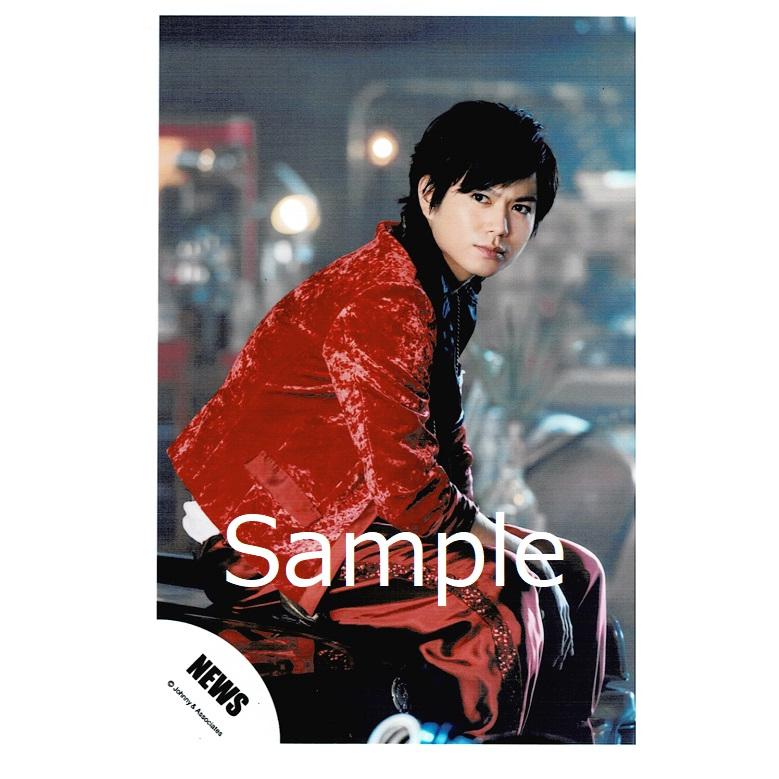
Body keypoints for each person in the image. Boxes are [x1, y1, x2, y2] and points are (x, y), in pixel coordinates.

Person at [168, 101, 606, 742]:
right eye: (480, 198)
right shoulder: (386, 297)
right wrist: (496, 545)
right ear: (429, 196)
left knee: (576, 572)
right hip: (279, 538)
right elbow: (408, 486)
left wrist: (484, 537)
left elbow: (441, 443)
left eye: (521, 207)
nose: (500, 226)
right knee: (504, 601)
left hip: (359, 522)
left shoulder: (442, 288)